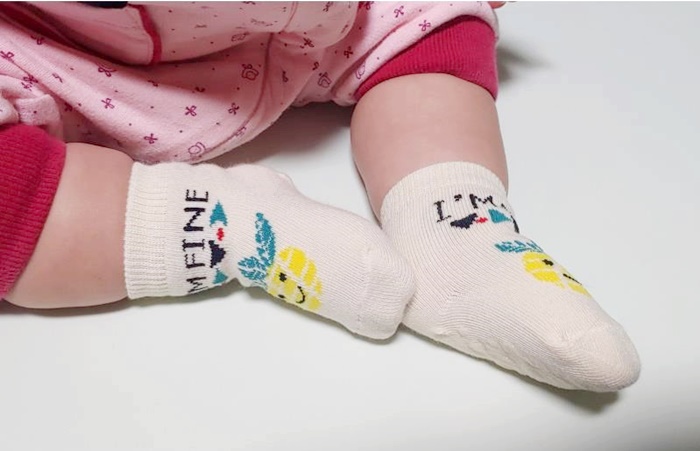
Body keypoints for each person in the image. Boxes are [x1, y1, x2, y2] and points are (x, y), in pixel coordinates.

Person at [0, 1, 640, 392]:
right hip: (58, 51)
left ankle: (456, 225)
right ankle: (232, 226)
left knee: (432, 24)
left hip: (313, 21)